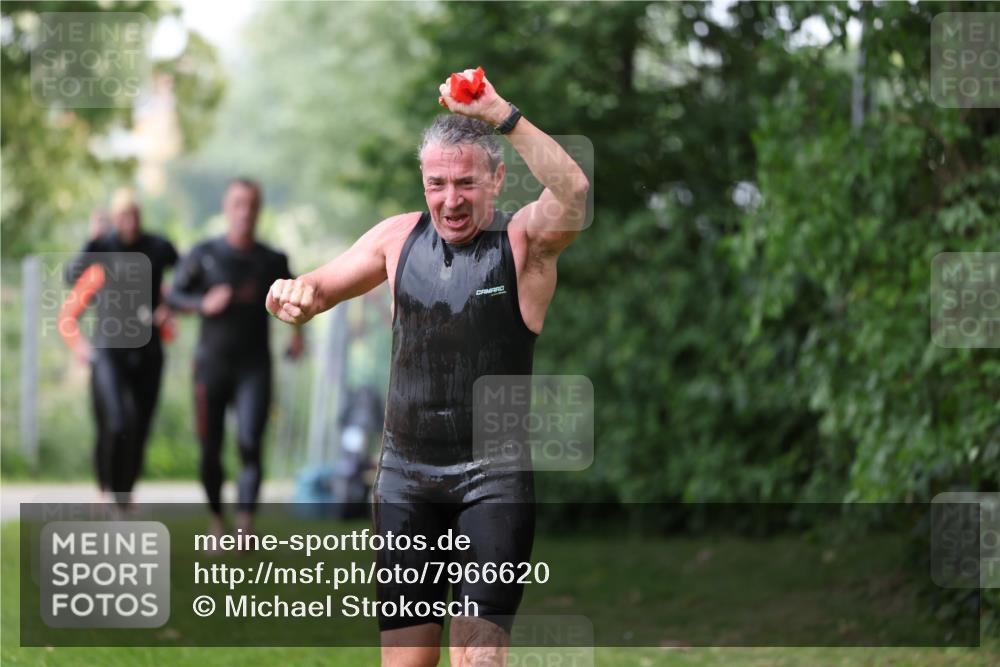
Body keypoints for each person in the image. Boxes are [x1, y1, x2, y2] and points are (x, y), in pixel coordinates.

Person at [266, 70, 588, 667]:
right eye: (436, 183)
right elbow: (315, 288)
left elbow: (573, 192)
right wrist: (291, 294)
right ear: (422, 181)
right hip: (405, 481)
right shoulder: (396, 240)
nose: (450, 199)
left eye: (466, 183)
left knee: (477, 660)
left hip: (493, 482)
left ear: (495, 179)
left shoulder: (523, 245)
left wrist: (500, 115)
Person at [167, 178, 304, 539]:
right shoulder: (204, 254)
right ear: (227, 208)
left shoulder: (272, 259)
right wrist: (202, 303)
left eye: (252, 204)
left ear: (259, 210)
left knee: (249, 441)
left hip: (254, 366)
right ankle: (216, 522)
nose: (245, 211)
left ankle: (244, 525)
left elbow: (297, 297)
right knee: (210, 450)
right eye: (238, 204)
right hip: (210, 366)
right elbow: (173, 297)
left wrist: (297, 335)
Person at [63, 191, 179, 507]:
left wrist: (170, 307)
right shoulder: (103, 247)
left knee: (139, 424)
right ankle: (105, 489)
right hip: (109, 350)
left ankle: (124, 494)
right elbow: (70, 277)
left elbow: (186, 275)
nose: (130, 222)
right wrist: (92, 240)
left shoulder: (158, 247)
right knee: (114, 421)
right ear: (115, 219)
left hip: (148, 350)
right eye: (123, 216)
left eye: (135, 215)